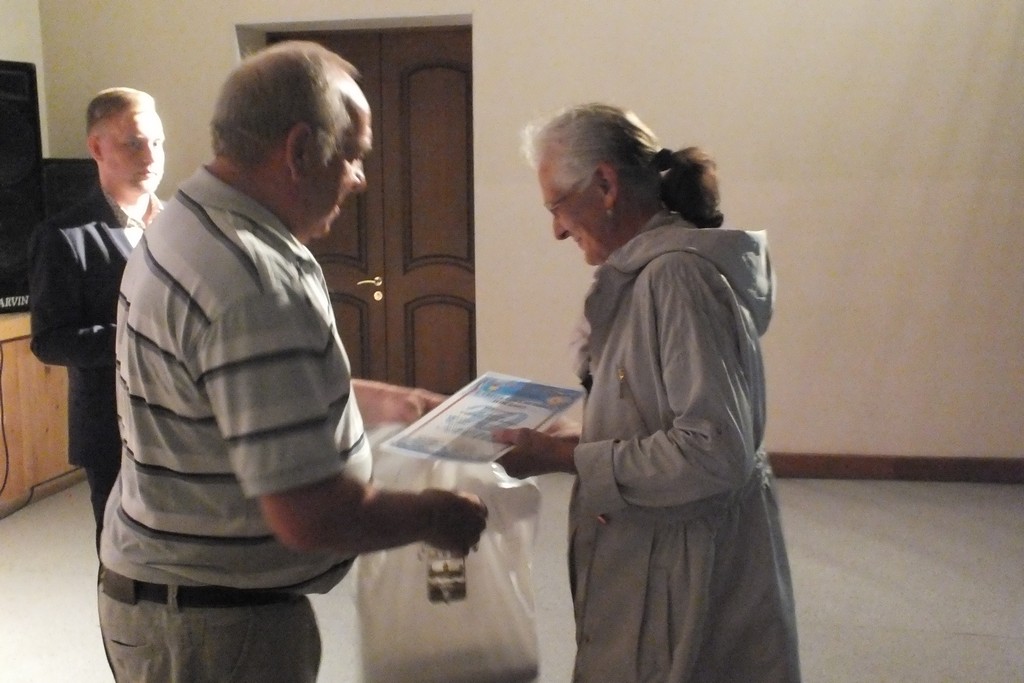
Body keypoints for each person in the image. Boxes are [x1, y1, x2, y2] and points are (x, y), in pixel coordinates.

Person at [97, 41, 488, 682]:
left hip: (179, 600)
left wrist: (394, 403)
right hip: (217, 628)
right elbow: (311, 515)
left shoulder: (188, 221)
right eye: (352, 154)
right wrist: (437, 515)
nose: (358, 178)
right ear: (300, 150)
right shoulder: (249, 279)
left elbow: (239, 395)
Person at [496, 104, 801, 682]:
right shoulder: (645, 275)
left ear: (606, 185)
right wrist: (583, 435)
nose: (556, 229)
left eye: (557, 205)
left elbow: (714, 451)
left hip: (682, 575)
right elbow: (664, 416)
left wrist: (567, 457)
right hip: (659, 563)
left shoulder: (677, 278)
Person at [28, 87, 165, 552]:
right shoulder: (63, 236)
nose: (151, 155)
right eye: (134, 143)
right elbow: (50, 340)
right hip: (111, 427)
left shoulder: (181, 227)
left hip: (181, 421)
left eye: (158, 142)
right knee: (122, 553)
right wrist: (137, 338)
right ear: (96, 147)